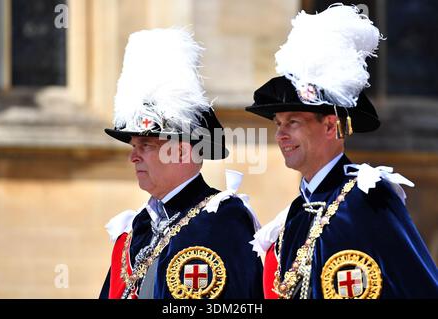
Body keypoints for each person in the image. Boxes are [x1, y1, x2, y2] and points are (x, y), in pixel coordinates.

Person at [247, 4, 438, 299]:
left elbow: (420, 287)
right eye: (278, 123)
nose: (281, 134)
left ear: (331, 126)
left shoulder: (369, 197)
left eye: (294, 122)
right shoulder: (294, 216)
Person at [99, 28, 263, 299]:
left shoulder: (221, 220)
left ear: (183, 152)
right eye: (134, 146)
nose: (133, 156)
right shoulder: (137, 227)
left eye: (147, 145)